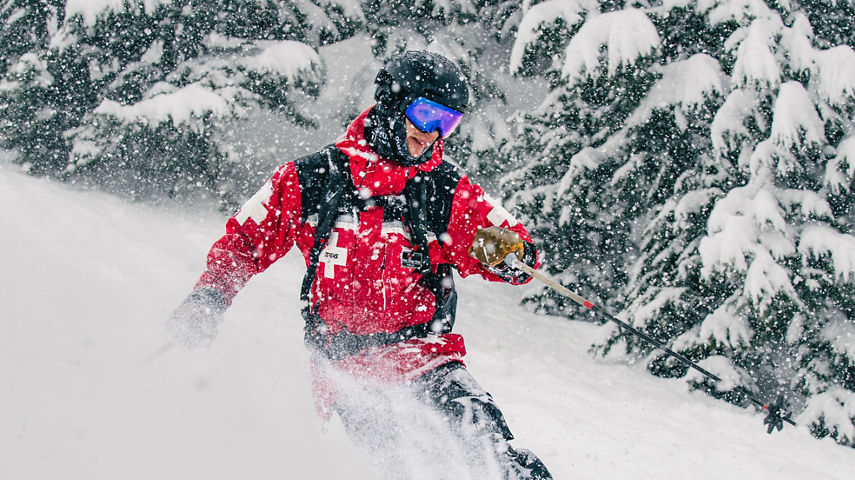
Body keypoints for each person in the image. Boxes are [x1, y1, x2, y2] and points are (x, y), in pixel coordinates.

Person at [167, 50, 552, 479]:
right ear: (392, 103)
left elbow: (507, 245)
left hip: (426, 356)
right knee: (397, 465)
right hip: (345, 370)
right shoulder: (314, 179)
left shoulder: (443, 189)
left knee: (490, 453)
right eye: (427, 115)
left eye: (448, 123)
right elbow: (243, 242)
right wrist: (209, 297)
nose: (432, 133)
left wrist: (511, 256)